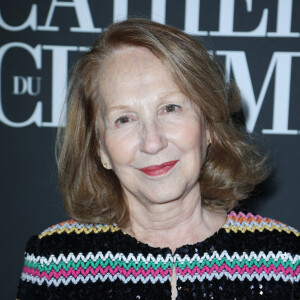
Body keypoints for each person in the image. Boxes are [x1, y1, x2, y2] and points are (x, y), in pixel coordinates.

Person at [17, 19, 299, 299]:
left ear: (209, 126)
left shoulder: (286, 262)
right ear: (100, 148)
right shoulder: (51, 265)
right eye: (124, 119)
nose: (152, 142)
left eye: (170, 108)